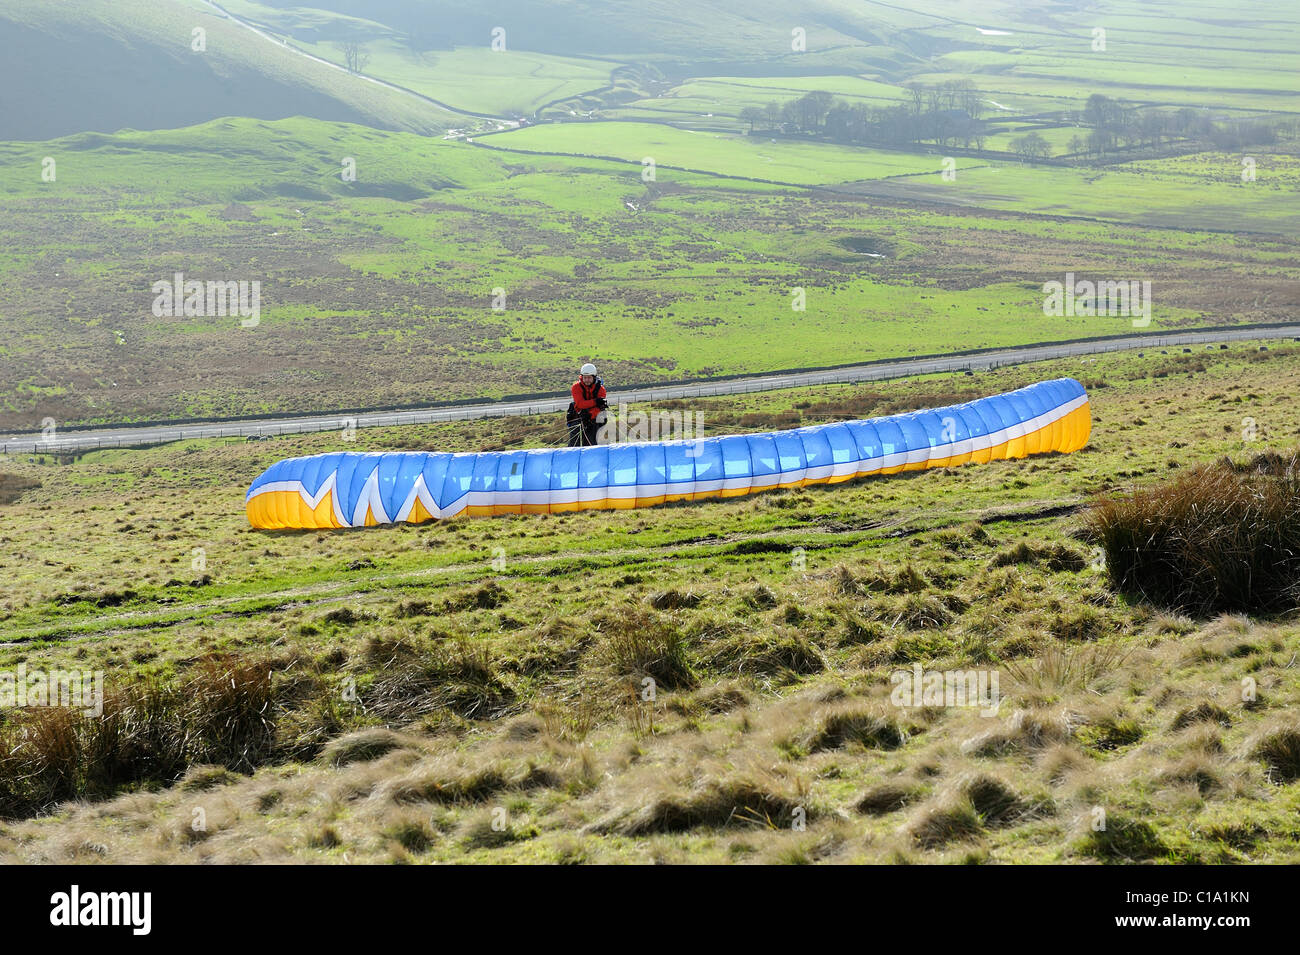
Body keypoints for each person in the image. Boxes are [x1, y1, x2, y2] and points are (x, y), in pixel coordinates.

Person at [566, 362, 607, 447]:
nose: (587, 380)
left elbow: (599, 407)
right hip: (578, 418)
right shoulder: (576, 387)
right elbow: (580, 404)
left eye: (589, 378)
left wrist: (590, 415)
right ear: (581, 377)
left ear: (594, 377)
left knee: (592, 444)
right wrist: (595, 401)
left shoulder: (601, 389)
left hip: (594, 420)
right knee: (574, 444)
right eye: (585, 378)